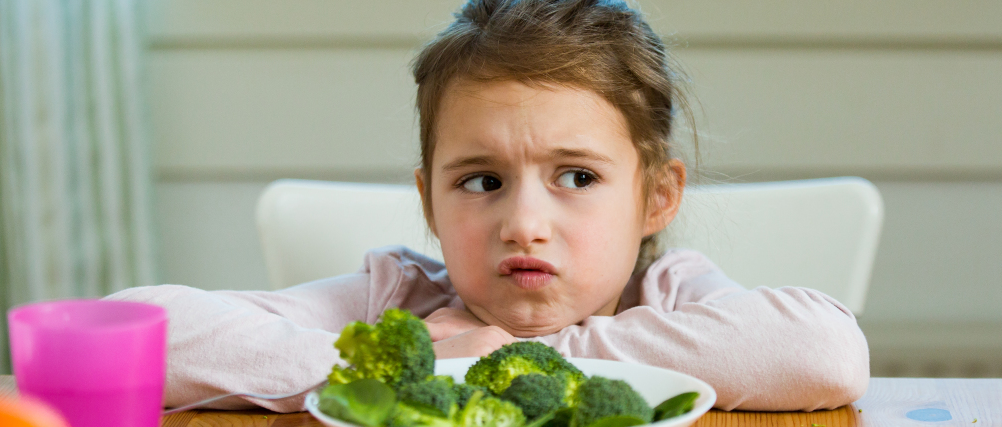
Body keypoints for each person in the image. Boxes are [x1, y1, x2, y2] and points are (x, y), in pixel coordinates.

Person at [104, 0, 869, 413]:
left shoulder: (671, 294)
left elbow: (824, 353)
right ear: (429, 201)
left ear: (656, 198)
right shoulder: (398, 302)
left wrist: (517, 365)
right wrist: (412, 365)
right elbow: (128, 339)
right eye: (481, 180)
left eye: (575, 177)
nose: (524, 222)